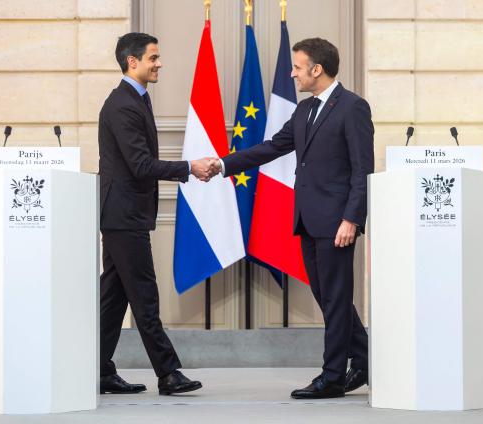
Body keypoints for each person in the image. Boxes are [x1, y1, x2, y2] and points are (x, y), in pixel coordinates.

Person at [216, 38, 374, 399]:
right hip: (306, 218)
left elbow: (362, 169)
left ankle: (332, 377)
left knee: (335, 298)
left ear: (317, 69)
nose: (293, 73)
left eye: (298, 67)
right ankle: (365, 358)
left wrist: (352, 218)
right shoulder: (303, 111)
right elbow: (272, 147)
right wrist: (224, 164)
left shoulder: (352, 108)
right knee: (328, 296)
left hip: (337, 223)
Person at [98, 32, 215, 396]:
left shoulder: (135, 99)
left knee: (115, 298)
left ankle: (97, 370)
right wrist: (188, 167)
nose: (159, 63)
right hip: (124, 215)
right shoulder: (122, 104)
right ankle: (168, 373)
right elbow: (139, 164)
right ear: (132, 61)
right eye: (153, 57)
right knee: (144, 296)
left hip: (123, 214)